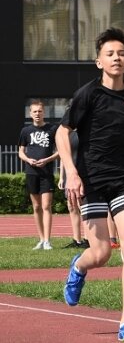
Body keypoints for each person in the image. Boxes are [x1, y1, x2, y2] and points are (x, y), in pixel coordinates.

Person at [57, 27, 124, 342]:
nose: (116, 58)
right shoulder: (88, 94)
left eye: (121, 54)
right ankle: (79, 268)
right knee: (99, 254)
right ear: (99, 61)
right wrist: (70, 170)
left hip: (122, 179)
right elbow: (62, 132)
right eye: (110, 54)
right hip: (90, 180)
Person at [18, 100, 59, 250]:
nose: (37, 114)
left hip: (46, 173)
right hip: (31, 172)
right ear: (30, 113)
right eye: (34, 111)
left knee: (46, 206)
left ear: (44, 112)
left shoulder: (52, 129)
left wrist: (47, 160)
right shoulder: (25, 131)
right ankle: (41, 239)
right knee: (36, 207)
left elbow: (60, 151)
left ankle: (48, 240)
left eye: (40, 111)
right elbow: (20, 152)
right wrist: (28, 159)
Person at [58, 131, 88, 249]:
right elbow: (63, 157)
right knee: (71, 206)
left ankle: (88, 239)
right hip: (69, 176)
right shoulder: (67, 134)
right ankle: (77, 240)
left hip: (82, 174)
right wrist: (61, 177)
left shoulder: (85, 133)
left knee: (83, 207)